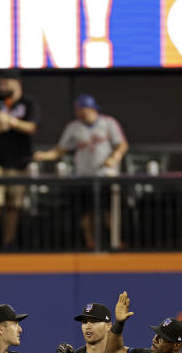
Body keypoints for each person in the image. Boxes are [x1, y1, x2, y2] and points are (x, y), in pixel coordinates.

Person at [33, 95, 128, 250]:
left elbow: (122, 144)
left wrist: (115, 156)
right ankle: (90, 242)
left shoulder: (108, 123)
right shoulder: (74, 126)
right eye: (77, 109)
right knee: (86, 212)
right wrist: (44, 156)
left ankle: (115, 241)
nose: (79, 113)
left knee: (109, 212)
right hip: (84, 175)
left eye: (82, 109)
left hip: (106, 175)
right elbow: (60, 150)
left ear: (92, 109)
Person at [0, 69, 38, 249]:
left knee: (14, 204)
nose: (2, 87)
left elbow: (31, 127)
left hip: (19, 161)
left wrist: (12, 122)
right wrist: (2, 126)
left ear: (17, 83)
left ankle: (8, 242)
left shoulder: (28, 103)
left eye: (6, 83)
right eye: (1, 83)